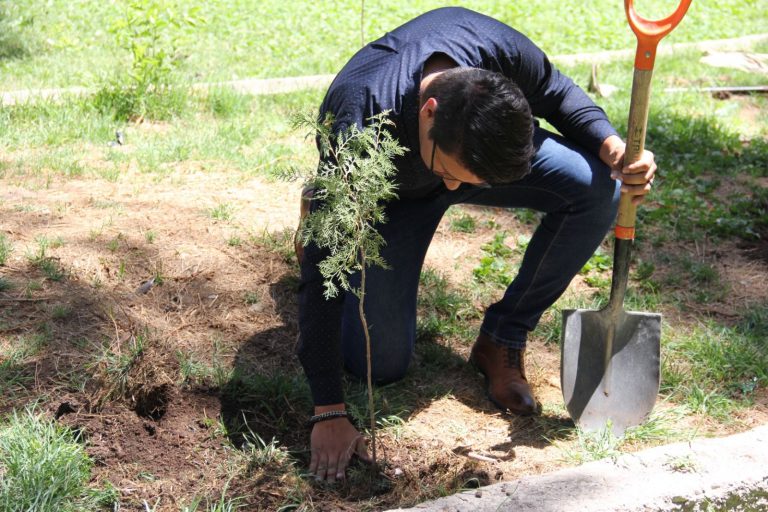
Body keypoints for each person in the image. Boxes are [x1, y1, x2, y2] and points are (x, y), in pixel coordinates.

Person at [296, 7, 657, 483]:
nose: (453, 192)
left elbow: (557, 92)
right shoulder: (360, 123)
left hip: (468, 163)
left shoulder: (492, 50)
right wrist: (328, 409)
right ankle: (317, 206)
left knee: (597, 189)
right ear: (429, 113)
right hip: (391, 196)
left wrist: (608, 142)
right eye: (448, 175)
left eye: (460, 181)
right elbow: (322, 278)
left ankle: (503, 336)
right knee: (381, 363)